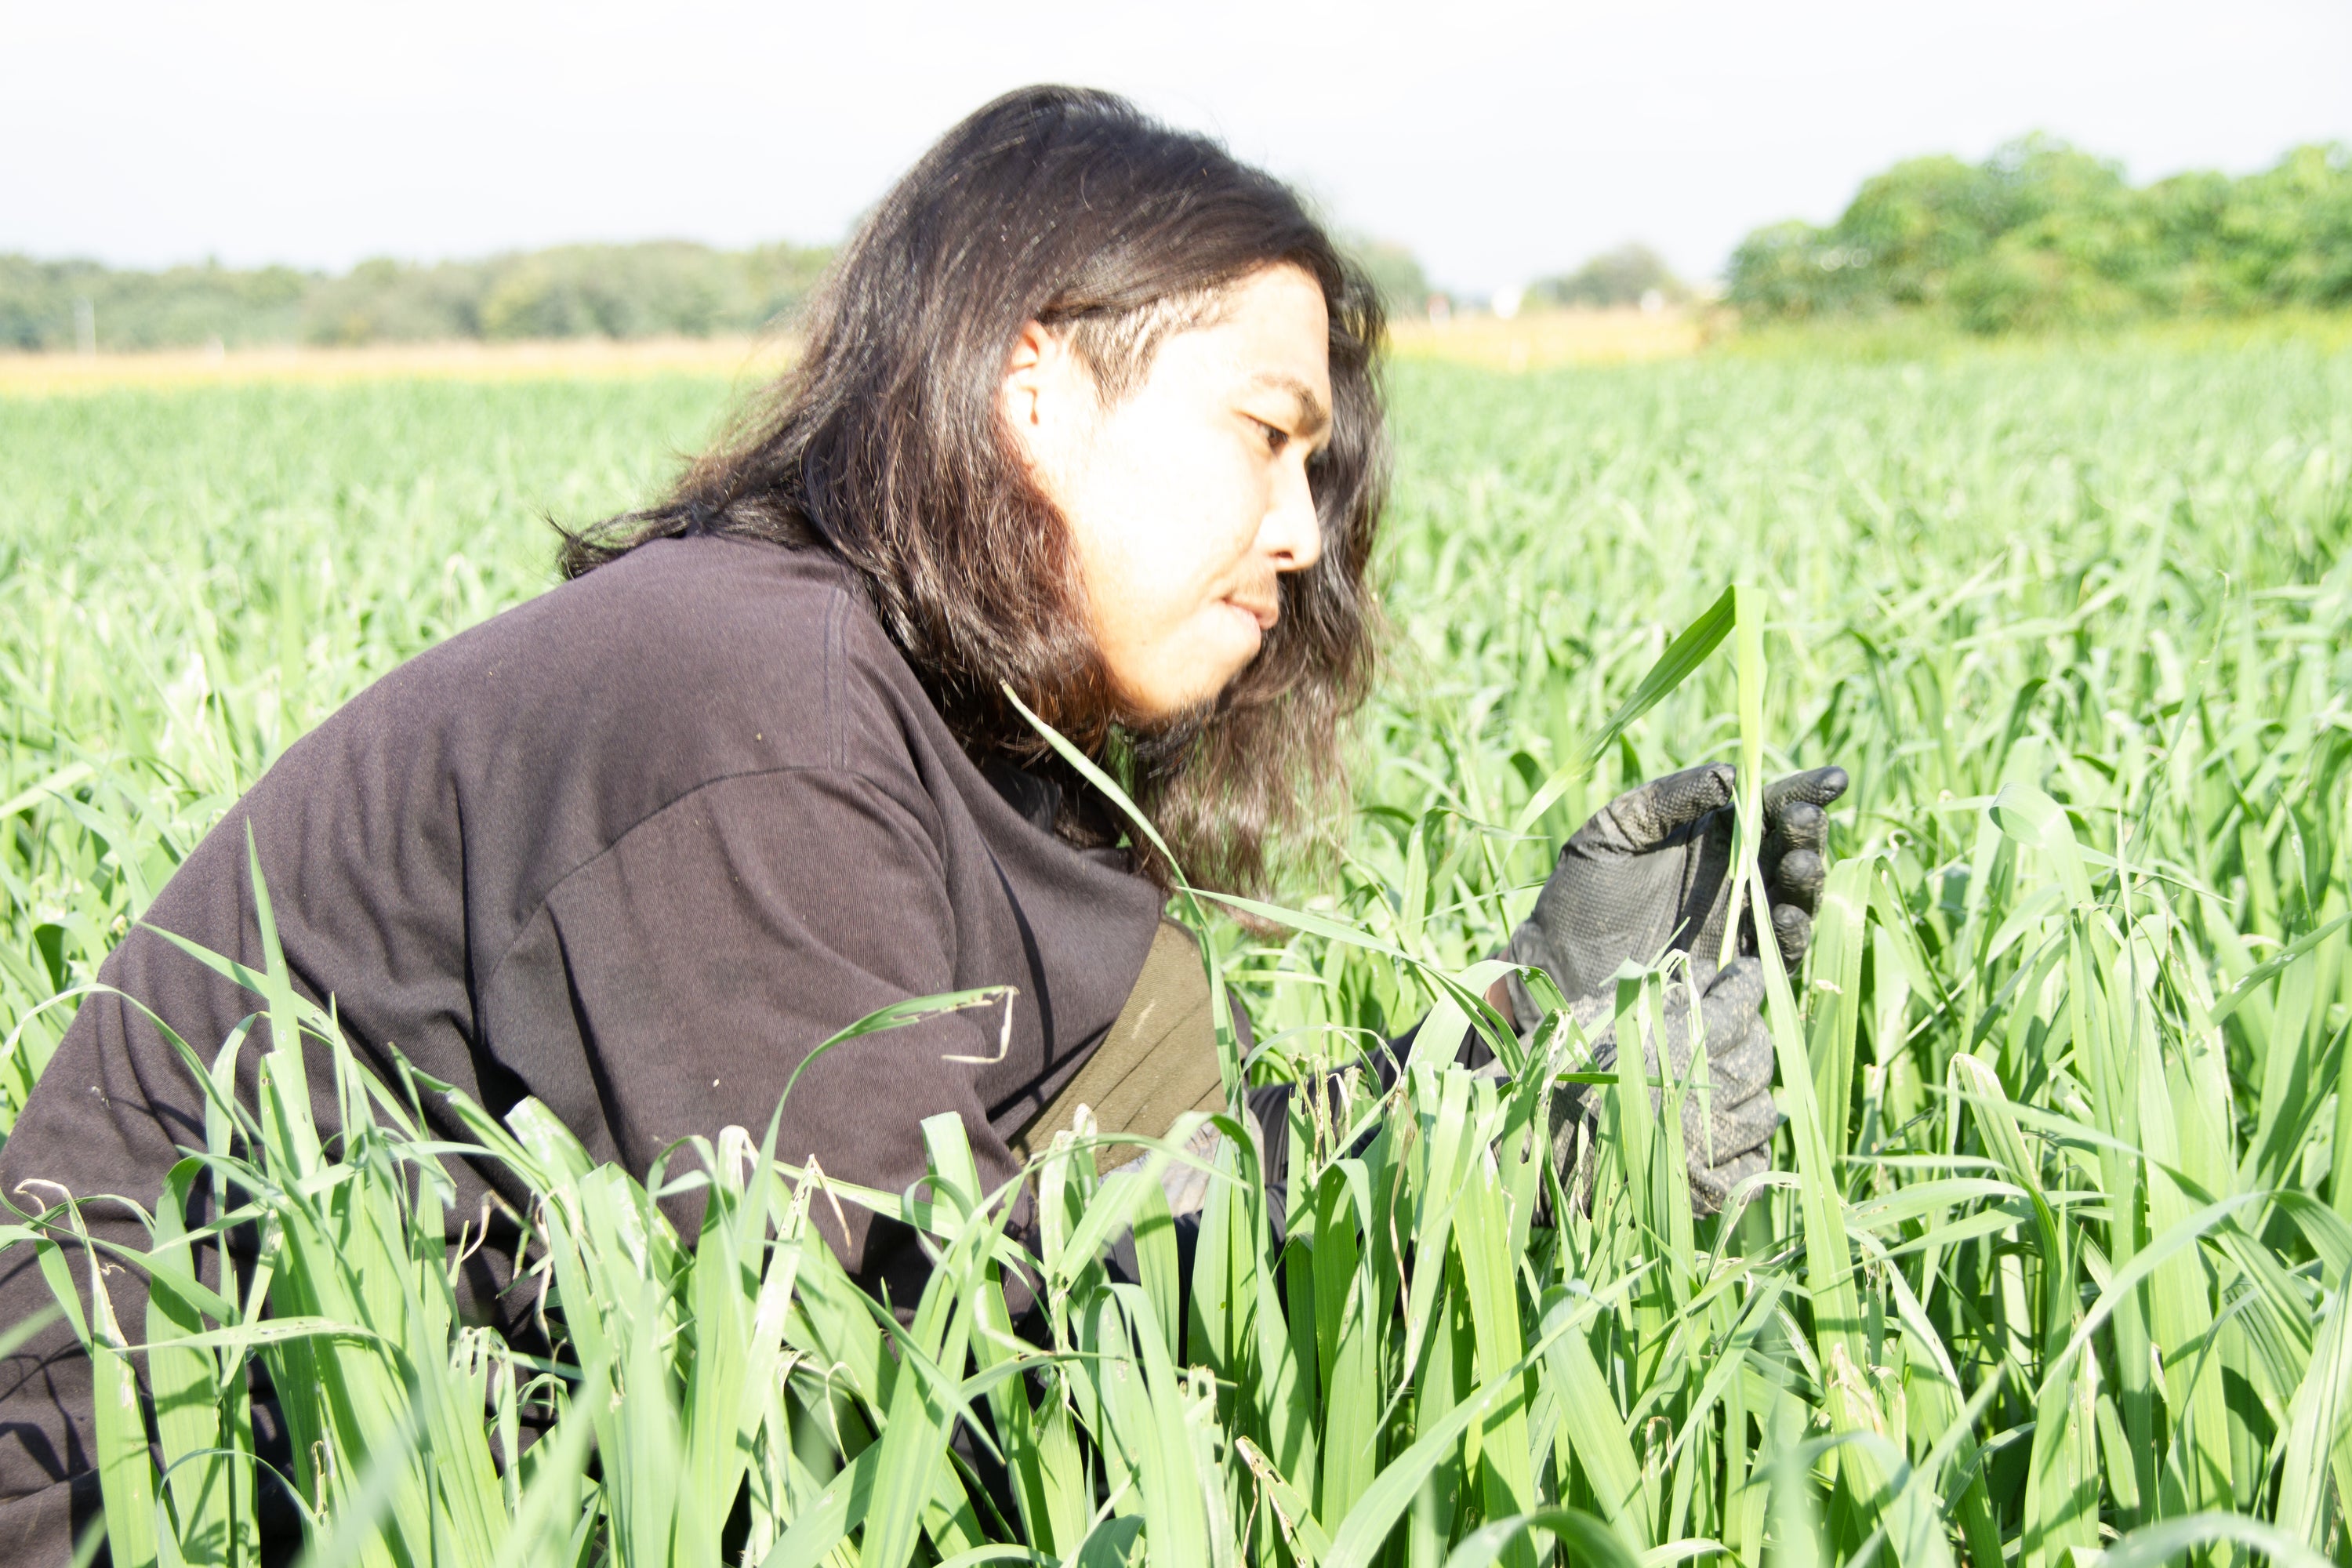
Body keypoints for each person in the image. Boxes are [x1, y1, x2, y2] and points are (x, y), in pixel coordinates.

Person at [0, 85, 1842, 1559]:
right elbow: (877, 1355)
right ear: (1034, 383)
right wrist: (1543, 1156)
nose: (1300, 530)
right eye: (1263, 434)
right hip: (181, 1488)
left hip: (473, 1429)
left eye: (1318, 467)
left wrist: (1509, 1050)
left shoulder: (974, 742)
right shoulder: (754, 705)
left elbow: (1075, 1228)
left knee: (1150, 1021)